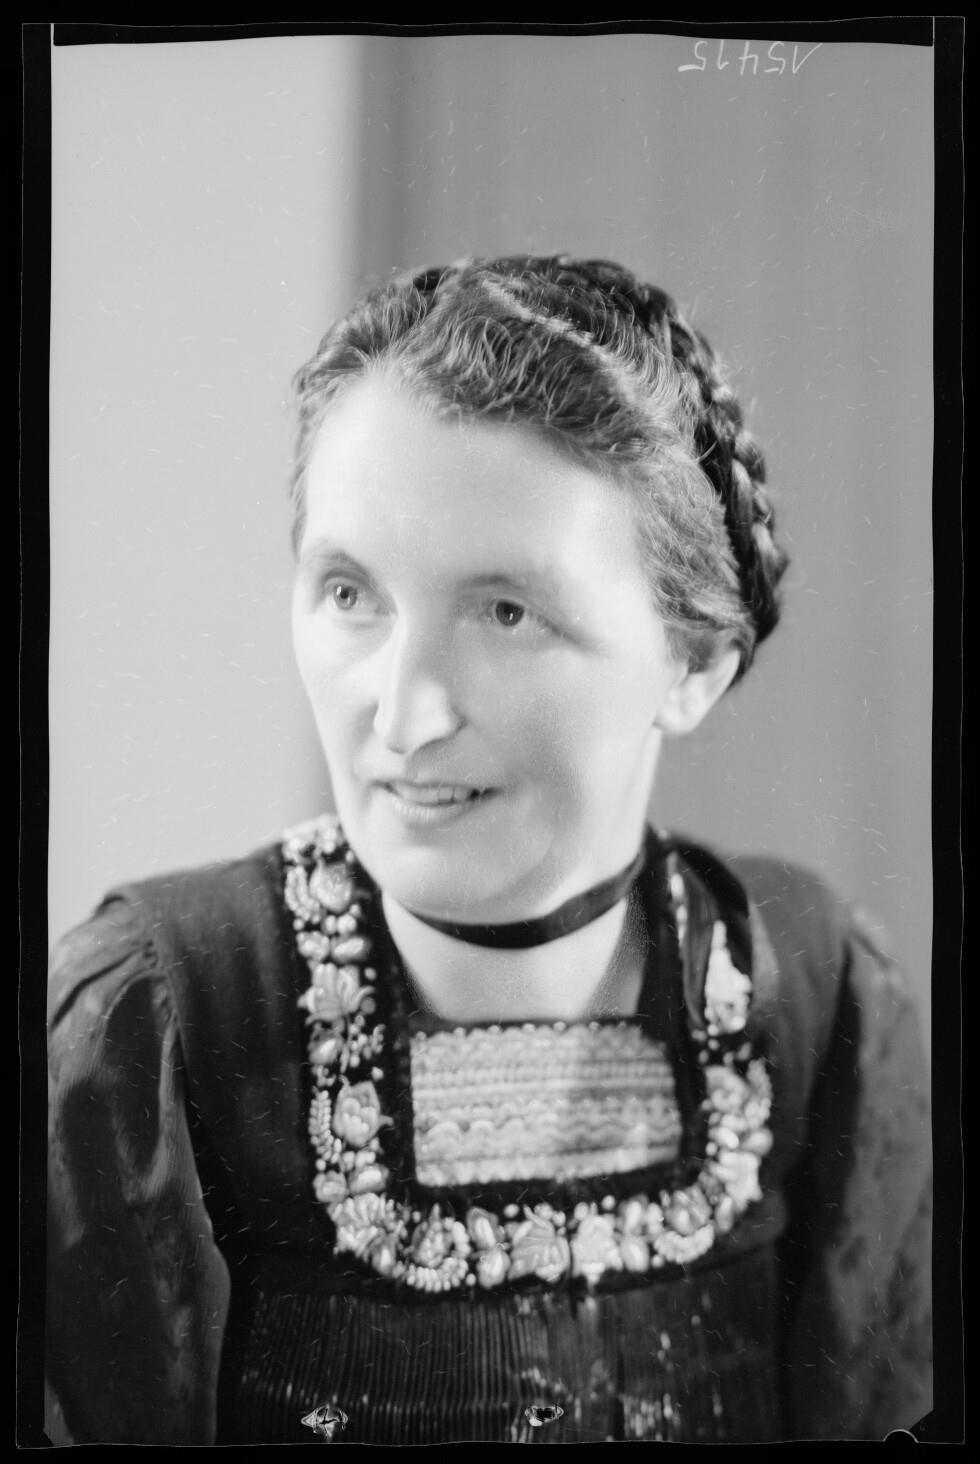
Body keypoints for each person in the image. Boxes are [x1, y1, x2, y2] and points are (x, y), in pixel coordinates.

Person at [46, 255, 932, 1445]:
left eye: (505, 613)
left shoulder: (814, 996)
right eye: (350, 594)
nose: (403, 716)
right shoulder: (154, 1024)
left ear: (693, 664)